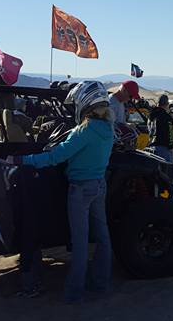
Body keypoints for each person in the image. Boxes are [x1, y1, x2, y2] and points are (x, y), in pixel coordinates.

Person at [17, 81, 115, 303]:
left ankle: (74, 292)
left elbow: (55, 157)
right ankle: (100, 283)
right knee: (103, 237)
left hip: (80, 189)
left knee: (80, 242)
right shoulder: (109, 128)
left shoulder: (84, 131)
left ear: (85, 104)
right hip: (99, 184)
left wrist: (24, 160)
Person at [149, 95, 173, 166]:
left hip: (152, 145)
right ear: (166, 104)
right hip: (164, 147)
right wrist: (171, 146)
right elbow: (170, 132)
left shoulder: (151, 115)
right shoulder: (165, 116)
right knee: (167, 169)